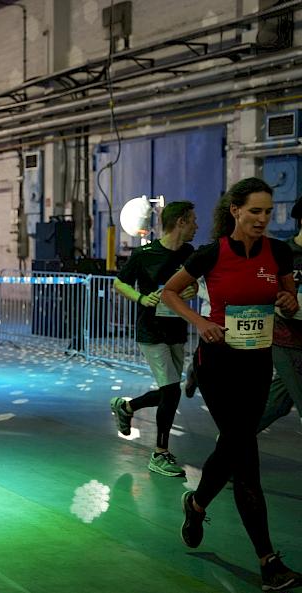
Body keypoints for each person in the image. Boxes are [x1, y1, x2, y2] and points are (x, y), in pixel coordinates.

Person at [162, 178, 301, 591]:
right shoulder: (211, 254)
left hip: (258, 365)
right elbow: (169, 293)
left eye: (267, 211)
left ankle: (197, 501)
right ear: (235, 210)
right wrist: (202, 322)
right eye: (254, 211)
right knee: (245, 455)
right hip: (219, 366)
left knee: (232, 445)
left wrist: (289, 299)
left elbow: (288, 288)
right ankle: (268, 561)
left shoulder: (278, 251)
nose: (262, 219)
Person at [109, 201, 199, 477]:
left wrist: (190, 291)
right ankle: (159, 454)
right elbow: (118, 283)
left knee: (169, 390)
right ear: (181, 222)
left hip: (176, 329)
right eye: (193, 220)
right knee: (172, 391)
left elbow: (194, 284)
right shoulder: (144, 253)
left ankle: (126, 406)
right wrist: (141, 298)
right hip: (151, 330)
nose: (197, 226)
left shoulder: (189, 252)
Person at [257, 195, 302, 433]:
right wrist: (280, 298)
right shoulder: (283, 253)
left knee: (278, 403)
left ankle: (231, 439)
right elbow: (262, 287)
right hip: (286, 339)